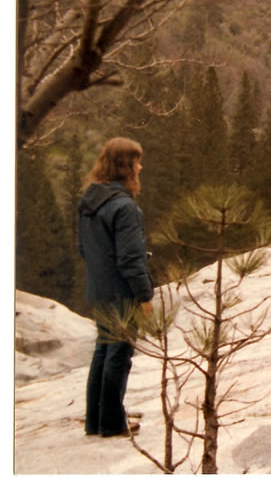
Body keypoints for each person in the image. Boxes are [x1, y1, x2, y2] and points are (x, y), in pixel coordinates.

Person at [78, 137, 154, 438]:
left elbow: (82, 248)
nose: (140, 167)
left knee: (103, 351)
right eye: (136, 162)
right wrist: (144, 295)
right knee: (119, 355)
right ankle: (112, 423)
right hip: (122, 293)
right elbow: (131, 259)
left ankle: (96, 420)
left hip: (99, 289)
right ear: (126, 167)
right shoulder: (125, 208)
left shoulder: (88, 200)